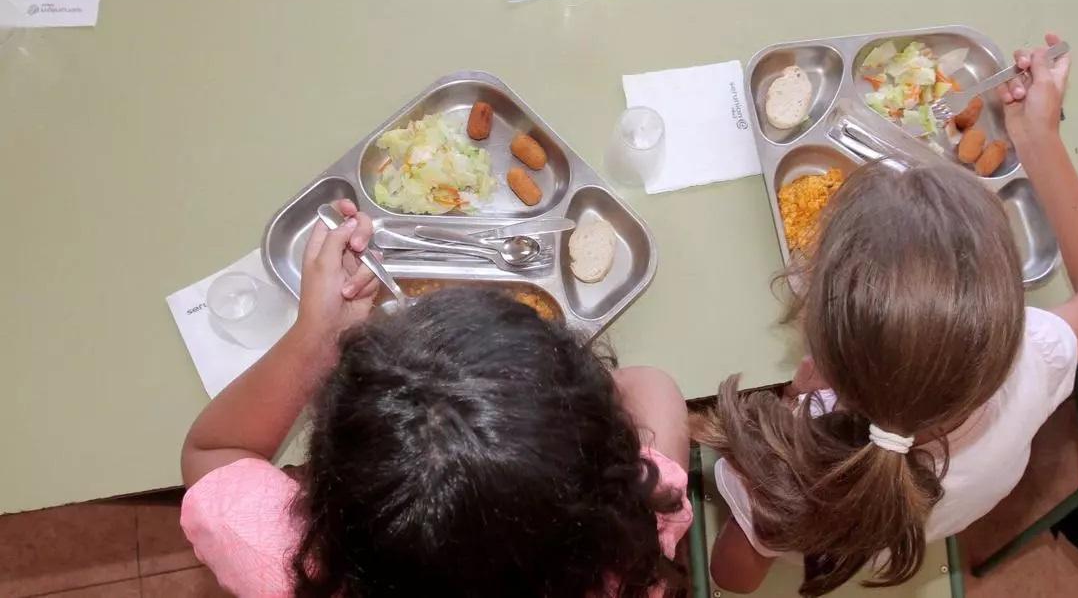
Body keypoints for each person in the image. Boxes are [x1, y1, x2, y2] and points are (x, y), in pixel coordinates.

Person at [692, 33, 1078, 596]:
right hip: (920, 527)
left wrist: (791, 406)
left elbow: (730, 577)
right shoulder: (1033, 358)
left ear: (816, 349)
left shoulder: (785, 470)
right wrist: (1038, 135)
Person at [179, 199, 693, 598]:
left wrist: (314, 340)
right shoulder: (634, 548)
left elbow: (214, 451)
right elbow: (654, 388)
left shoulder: (275, 558)